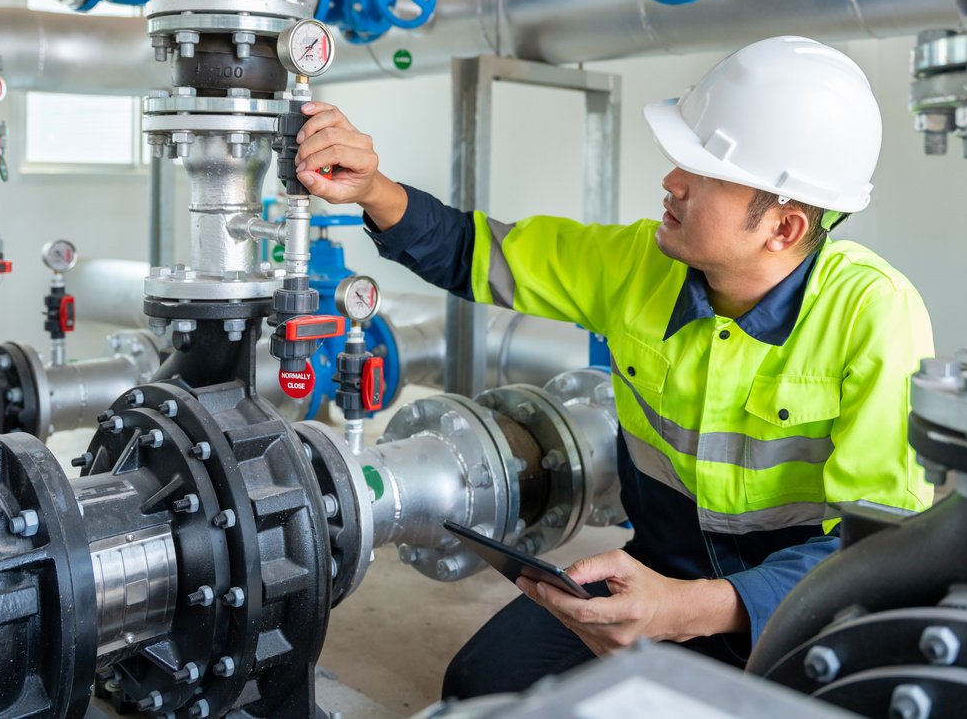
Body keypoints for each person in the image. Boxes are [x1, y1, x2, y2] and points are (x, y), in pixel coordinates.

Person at [292, 36, 934, 698]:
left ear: (785, 228)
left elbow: (870, 548)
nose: (670, 181)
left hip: (795, 608)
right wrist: (371, 189)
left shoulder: (873, 315)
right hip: (659, 567)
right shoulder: (638, 264)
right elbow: (473, 250)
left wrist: (687, 609)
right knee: (483, 686)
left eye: (705, 173)